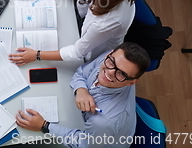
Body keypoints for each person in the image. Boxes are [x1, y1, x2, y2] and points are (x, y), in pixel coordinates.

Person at [15, 42, 150, 148]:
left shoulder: (104, 122)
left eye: (121, 73)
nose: (109, 72)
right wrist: (81, 90)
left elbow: (83, 144)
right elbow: (81, 72)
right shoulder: (111, 59)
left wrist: (44, 126)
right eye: (111, 62)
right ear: (111, 53)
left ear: (132, 82)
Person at [9, 0, 141, 63]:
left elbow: (77, 52)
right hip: (84, 19)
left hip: (93, 48)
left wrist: (36, 55)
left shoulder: (108, 22)